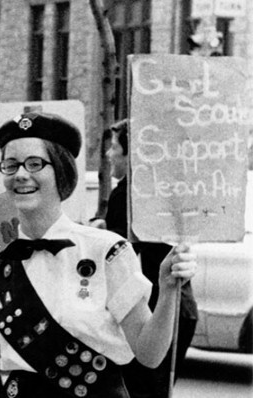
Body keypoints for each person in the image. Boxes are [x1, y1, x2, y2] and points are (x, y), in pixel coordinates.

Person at [0, 111, 197, 398]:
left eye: (35, 163)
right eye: (11, 165)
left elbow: (148, 354)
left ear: (61, 171)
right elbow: (3, 353)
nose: (21, 175)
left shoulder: (106, 251)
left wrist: (167, 293)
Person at [91, 120, 198, 398]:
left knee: (144, 388)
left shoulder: (127, 194)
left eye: (115, 147)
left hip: (153, 313)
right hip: (178, 308)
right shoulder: (152, 192)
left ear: (131, 154)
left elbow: (120, 255)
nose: (109, 155)